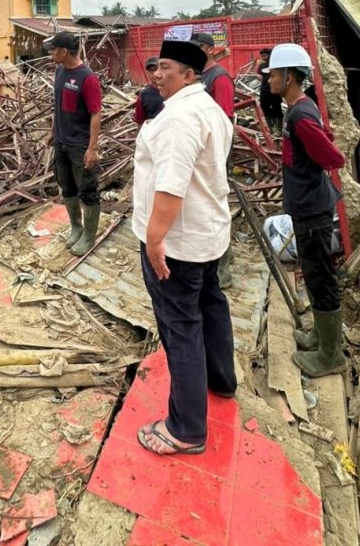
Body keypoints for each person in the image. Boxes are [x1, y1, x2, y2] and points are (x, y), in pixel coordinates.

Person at [133, 39, 236, 455]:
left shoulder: (179, 118)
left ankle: (186, 429)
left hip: (176, 243)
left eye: (168, 69)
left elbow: (171, 186)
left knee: (180, 327)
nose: (157, 75)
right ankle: (221, 381)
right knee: (211, 306)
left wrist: (155, 240)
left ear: (190, 76)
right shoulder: (209, 108)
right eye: (157, 67)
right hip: (206, 236)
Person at [264, 43, 346, 377]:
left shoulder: (299, 114)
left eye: (273, 74)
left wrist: (321, 151)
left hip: (313, 210)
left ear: (290, 77)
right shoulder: (297, 107)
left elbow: (332, 157)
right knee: (313, 274)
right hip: (306, 206)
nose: (269, 79)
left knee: (320, 277)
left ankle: (331, 355)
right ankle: (319, 336)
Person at [45, 31, 103, 254]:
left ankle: (89, 236)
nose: (51, 53)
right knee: (67, 187)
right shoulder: (60, 72)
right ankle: (76, 228)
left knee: (87, 190)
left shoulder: (87, 78)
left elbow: (96, 114)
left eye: (53, 49)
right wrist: (53, 131)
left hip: (80, 146)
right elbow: (58, 105)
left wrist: (92, 148)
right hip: (61, 142)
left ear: (64, 51)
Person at [191, 31, 236, 289]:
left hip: (215, 155)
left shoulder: (219, 78)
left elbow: (224, 121)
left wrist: (218, 157)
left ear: (208, 48)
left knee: (216, 208)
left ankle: (224, 269)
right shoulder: (198, 78)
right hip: (200, 154)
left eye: (196, 47)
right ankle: (209, 261)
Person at [190, 32, 234, 120]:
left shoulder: (220, 77)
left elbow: (225, 117)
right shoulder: (194, 74)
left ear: (210, 50)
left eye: (198, 47)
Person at [257, 47, 283, 136]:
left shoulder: (275, 65)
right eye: (262, 56)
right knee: (264, 105)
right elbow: (259, 74)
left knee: (276, 106)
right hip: (264, 88)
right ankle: (270, 128)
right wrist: (258, 76)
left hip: (275, 89)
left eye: (265, 56)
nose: (263, 58)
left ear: (270, 55)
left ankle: (278, 129)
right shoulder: (262, 65)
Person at [133, 56, 164, 124]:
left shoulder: (171, 90)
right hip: (151, 131)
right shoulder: (144, 94)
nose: (154, 73)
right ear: (147, 72)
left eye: (156, 69)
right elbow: (140, 121)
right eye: (151, 70)